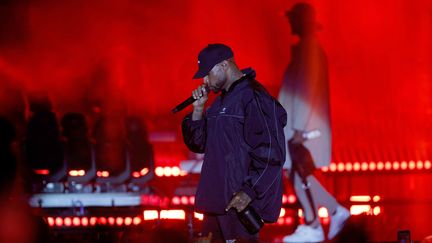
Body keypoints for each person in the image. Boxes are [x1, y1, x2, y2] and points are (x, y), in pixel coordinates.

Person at [182, 43, 287, 242]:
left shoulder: (253, 97)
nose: (204, 81)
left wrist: (249, 191)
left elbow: (271, 153)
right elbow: (199, 144)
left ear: (224, 65)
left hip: (238, 207)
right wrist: (197, 111)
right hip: (215, 206)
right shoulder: (220, 103)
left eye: (207, 74)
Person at [279, 3, 350, 242]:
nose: (290, 23)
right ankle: (330, 214)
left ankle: (314, 224)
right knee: (299, 175)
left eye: (293, 19)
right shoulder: (306, 50)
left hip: (304, 129)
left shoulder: (309, 50)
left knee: (300, 175)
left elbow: (307, 90)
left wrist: (298, 127)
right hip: (301, 128)